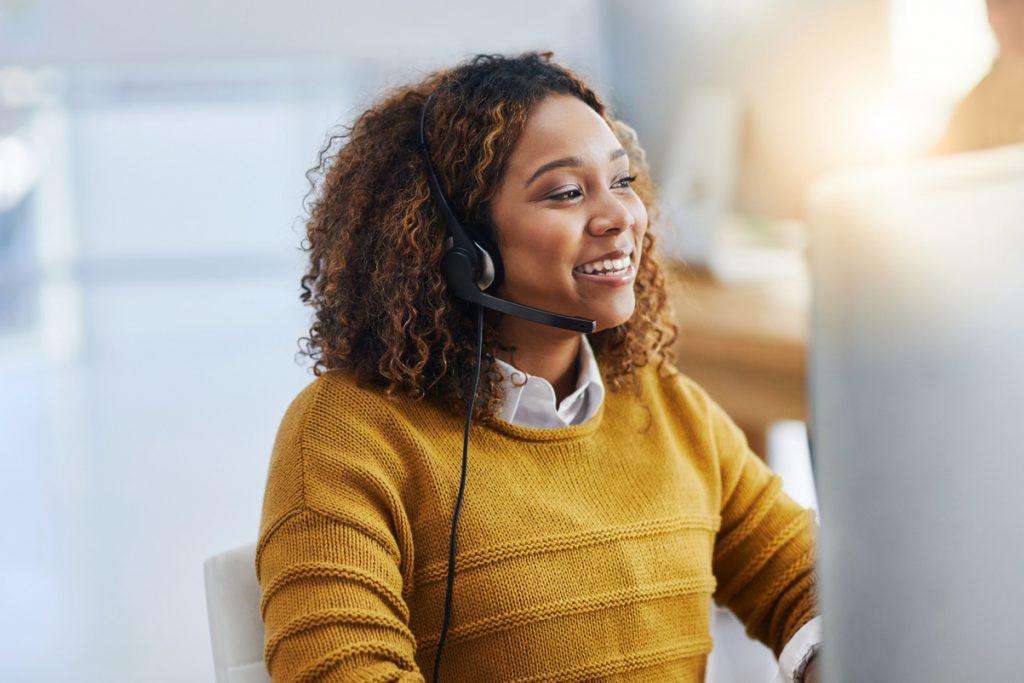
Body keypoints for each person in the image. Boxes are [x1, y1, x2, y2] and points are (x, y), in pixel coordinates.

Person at [256, 52, 820, 682]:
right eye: (567, 193)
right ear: (463, 249)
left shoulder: (666, 404)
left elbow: (804, 577)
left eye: (622, 181)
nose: (620, 219)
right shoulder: (346, 436)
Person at [934, 0, 1024, 154]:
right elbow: (939, 164)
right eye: (994, 7)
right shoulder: (976, 104)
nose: (1001, 17)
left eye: (1010, 4)